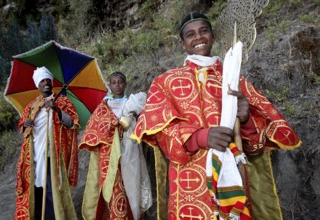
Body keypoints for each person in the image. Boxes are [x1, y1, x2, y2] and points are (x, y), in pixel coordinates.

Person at [132, 12, 301, 220]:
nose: (198, 38)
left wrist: (246, 119)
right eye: (191, 35)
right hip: (190, 182)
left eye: (204, 31)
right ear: (183, 43)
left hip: (233, 178)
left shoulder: (233, 77)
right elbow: (161, 132)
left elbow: (256, 146)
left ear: (213, 36)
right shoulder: (165, 82)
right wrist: (201, 137)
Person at [79, 71, 152, 220]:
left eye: (120, 82)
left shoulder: (132, 103)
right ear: (109, 85)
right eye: (114, 82)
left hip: (130, 151)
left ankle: (133, 215)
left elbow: (141, 126)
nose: (117, 85)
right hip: (108, 154)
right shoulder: (103, 107)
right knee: (112, 186)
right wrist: (113, 126)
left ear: (125, 84)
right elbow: (94, 129)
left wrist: (135, 119)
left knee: (131, 183)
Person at [14, 66, 80, 220]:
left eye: (48, 80)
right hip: (34, 155)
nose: (46, 83)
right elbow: (22, 128)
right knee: (36, 189)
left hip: (53, 154)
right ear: (38, 85)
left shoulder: (62, 101)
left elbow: (72, 123)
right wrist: (26, 124)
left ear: (51, 82)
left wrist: (57, 109)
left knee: (51, 190)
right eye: (42, 80)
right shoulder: (32, 106)